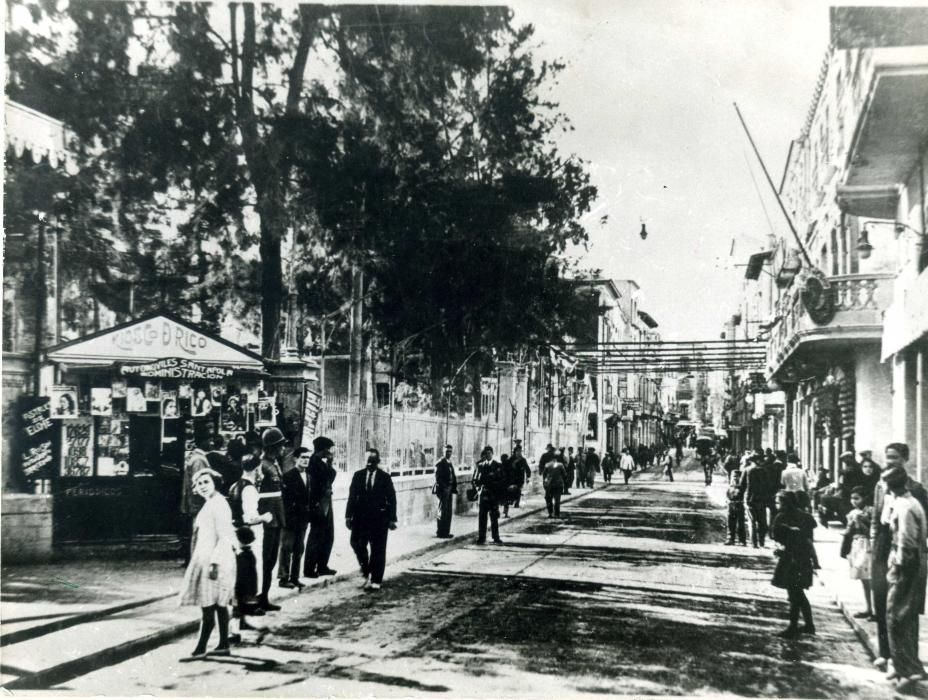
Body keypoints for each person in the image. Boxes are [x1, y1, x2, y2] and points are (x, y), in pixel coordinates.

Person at [870, 442, 928, 674]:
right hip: (882, 548)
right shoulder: (880, 484)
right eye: (887, 457)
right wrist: (874, 542)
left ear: (905, 459)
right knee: (883, 602)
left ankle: (906, 658)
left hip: (902, 550)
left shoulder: (915, 489)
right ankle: (886, 653)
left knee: (904, 608)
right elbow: (876, 516)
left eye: (894, 457)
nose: (889, 461)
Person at [178, 468, 238, 660]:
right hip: (208, 558)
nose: (202, 486)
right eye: (198, 483)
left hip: (214, 561)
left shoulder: (218, 504)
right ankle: (223, 644)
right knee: (218, 605)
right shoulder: (212, 503)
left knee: (208, 605)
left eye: (206, 482)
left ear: (215, 482)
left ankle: (201, 648)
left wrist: (214, 563)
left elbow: (225, 536)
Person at [883, 463, 928, 692]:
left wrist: (898, 567)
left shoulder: (905, 507)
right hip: (913, 563)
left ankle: (908, 670)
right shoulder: (907, 503)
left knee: (896, 616)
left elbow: (906, 542)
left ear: (891, 485)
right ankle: (905, 666)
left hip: (906, 565)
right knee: (905, 616)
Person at [228, 455, 272, 632]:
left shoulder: (234, 486)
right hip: (248, 536)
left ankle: (241, 620)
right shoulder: (250, 489)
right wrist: (265, 517)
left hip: (236, 534)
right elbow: (250, 517)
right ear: (256, 469)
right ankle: (236, 625)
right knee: (246, 578)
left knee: (240, 578)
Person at [346, 448, 397, 591]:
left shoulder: (385, 477)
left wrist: (392, 518)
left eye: (372, 461)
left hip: (379, 520)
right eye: (367, 461)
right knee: (355, 543)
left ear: (378, 462)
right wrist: (348, 516)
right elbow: (351, 497)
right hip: (360, 519)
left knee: (378, 549)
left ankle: (376, 580)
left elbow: (392, 499)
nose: (369, 464)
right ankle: (366, 568)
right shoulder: (358, 476)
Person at [771, 490, 817, 638]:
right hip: (803, 559)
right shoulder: (806, 517)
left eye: (779, 502)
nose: (776, 505)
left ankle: (793, 627)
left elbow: (776, 537)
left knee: (794, 593)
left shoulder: (781, 517)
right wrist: (815, 560)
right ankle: (809, 625)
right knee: (799, 593)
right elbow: (810, 540)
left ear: (786, 502)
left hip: (790, 559)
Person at [256, 427, 287, 611]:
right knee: (266, 558)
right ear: (273, 447)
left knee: (272, 558)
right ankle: (260, 597)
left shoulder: (274, 463)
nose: (283, 449)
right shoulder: (263, 465)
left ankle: (265, 597)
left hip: (277, 514)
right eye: (281, 446)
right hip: (268, 516)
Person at [305, 436, 337, 578]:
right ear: (323, 449)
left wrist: (330, 463)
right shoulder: (313, 463)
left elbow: (330, 476)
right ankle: (310, 568)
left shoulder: (320, 463)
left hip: (326, 502)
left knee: (328, 535)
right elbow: (318, 484)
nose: (330, 452)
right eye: (328, 449)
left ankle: (322, 566)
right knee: (316, 536)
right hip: (318, 504)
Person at [279, 447, 311, 589]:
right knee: (287, 548)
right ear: (295, 459)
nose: (305, 460)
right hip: (291, 519)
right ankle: (283, 578)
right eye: (303, 457)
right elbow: (285, 500)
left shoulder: (309, 476)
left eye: (307, 457)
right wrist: (287, 518)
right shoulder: (288, 476)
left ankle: (295, 577)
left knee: (299, 549)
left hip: (303, 519)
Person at [181, 425, 212, 564]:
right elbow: (200, 485)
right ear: (203, 441)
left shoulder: (195, 457)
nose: (211, 443)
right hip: (199, 505)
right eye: (209, 440)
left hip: (195, 504)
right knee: (199, 536)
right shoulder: (199, 460)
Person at [841, 486, 873, 620]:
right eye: (852, 498)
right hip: (856, 545)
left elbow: (871, 530)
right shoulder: (853, 512)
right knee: (863, 579)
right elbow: (849, 533)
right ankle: (868, 607)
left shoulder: (870, 511)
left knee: (870, 578)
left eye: (857, 498)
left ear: (865, 498)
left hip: (867, 545)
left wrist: (860, 521)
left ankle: (875, 610)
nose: (853, 501)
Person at [473, 446, 505, 544]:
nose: (488, 455)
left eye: (489, 453)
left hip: (493, 495)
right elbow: (475, 480)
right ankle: (481, 537)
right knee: (482, 517)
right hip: (483, 495)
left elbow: (502, 480)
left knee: (494, 517)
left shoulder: (498, 466)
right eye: (486, 453)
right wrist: (479, 489)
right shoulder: (480, 466)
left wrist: (498, 492)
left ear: (492, 454)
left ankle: (496, 537)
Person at [740, 455, 769, 548]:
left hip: (750, 499)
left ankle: (754, 543)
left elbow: (741, 485)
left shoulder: (747, 470)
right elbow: (768, 485)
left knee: (751, 521)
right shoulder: (764, 470)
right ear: (758, 461)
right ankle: (762, 542)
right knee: (762, 521)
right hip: (762, 499)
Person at [434, 444, 457, 538]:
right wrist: (444, 488)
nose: (449, 453)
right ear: (443, 452)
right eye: (447, 451)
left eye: (450, 451)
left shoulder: (449, 462)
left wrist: (452, 487)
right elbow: (438, 478)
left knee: (448, 512)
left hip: (450, 489)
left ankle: (446, 531)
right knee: (442, 511)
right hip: (443, 490)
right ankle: (441, 532)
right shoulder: (440, 463)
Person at [542, 449, 567, 518]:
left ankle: (550, 513)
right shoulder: (560, 465)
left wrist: (544, 483)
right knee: (557, 500)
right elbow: (565, 475)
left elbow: (544, 475)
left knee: (548, 498)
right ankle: (557, 514)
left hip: (549, 485)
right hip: (558, 484)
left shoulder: (547, 465)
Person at [726, 466, 746, 546]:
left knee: (740, 523)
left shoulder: (742, 487)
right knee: (730, 523)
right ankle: (730, 539)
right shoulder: (730, 486)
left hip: (739, 505)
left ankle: (742, 540)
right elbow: (727, 495)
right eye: (733, 476)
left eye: (736, 476)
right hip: (731, 506)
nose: (734, 478)